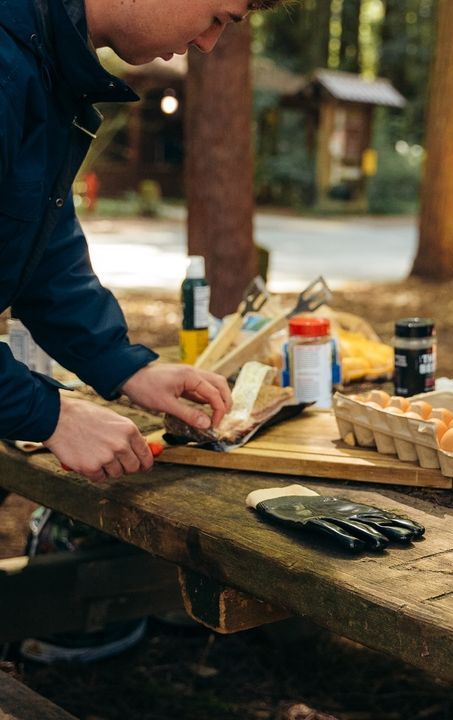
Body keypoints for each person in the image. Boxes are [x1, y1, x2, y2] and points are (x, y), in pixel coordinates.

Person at [0, 0, 283, 483]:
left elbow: (35, 236)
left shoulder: (41, 51)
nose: (208, 43)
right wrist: (49, 413)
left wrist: (123, 365)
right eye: (218, 17)